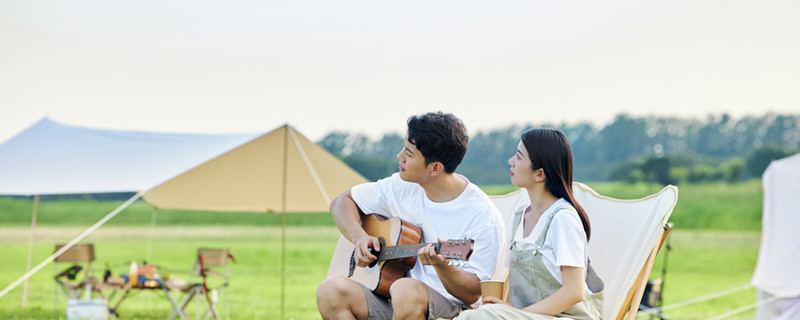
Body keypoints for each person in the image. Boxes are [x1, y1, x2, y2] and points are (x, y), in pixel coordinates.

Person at [316, 111, 506, 320]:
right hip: (394, 301)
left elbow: (472, 293)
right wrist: (359, 237)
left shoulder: (482, 216)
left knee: (405, 289)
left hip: (450, 310)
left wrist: (442, 266)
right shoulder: (402, 185)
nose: (400, 157)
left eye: (409, 153)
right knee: (329, 290)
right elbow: (341, 202)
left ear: (435, 168)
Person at [455, 128, 604, 320]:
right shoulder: (519, 218)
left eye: (518, 156)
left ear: (539, 174)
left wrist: (515, 314)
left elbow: (574, 292)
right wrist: (507, 309)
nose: (511, 161)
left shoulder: (563, 219)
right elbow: (515, 288)